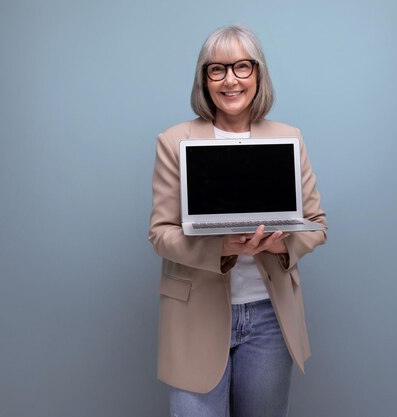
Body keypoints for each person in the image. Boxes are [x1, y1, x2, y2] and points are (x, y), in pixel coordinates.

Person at [149, 24, 327, 417]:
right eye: (217, 69)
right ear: (205, 79)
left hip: (269, 317)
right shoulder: (175, 141)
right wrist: (221, 247)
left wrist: (280, 244)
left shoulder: (288, 138)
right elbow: (161, 235)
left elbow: (317, 223)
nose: (230, 80)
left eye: (242, 67)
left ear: (258, 75)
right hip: (194, 317)